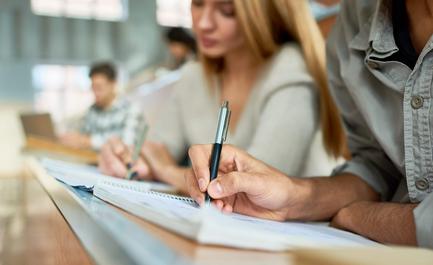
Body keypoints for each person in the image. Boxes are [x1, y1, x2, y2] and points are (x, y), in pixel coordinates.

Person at [185, 0, 433, 248]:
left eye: (227, 11)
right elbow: (378, 167)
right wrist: (294, 196)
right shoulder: (356, 15)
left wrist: (364, 217)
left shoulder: (290, 69)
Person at [99, 0, 345, 192]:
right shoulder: (193, 75)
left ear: (264, 13)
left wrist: (165, 170)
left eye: (226, 10)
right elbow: (157, 149)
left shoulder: (292, 68)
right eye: (197, 4)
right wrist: (128, 156)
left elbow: (253, 187)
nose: (204, 23)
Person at [60, 62, 143, 150]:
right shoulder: (91, 111)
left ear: (113, 84)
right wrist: (75, 139)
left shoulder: (131, 111)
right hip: (89, 160)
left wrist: (89, 141)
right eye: (93, 88)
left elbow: (128, 143)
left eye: (99, 87)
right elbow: (83, 136)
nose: (95, 93)